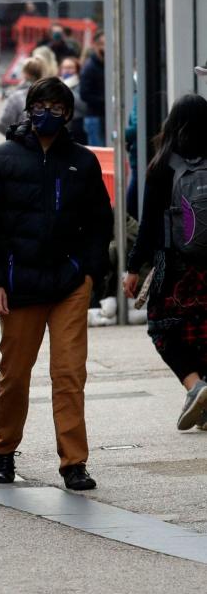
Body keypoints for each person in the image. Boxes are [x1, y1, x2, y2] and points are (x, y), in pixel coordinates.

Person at [0, 77, 113, 491]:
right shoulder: (2, 161)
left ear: (68, 114)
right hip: (19, 286)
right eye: (40, 105)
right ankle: (3, 449)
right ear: (28, 109)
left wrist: (89, 272)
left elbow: (99, 224)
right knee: (14, 374)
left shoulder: (81, 162)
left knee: (69, 373)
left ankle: (74, 462)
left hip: (69, 283)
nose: (47, 113)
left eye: (56, 107)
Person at [124, 94, 207, 431]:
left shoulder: (161, 165)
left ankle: (195, 386)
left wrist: (133, 267)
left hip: (172, 264)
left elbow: (148, 225)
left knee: (162, 328)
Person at [0, 58, 45, 134]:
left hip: (20, 140)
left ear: (25, 73)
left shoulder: (16, 97)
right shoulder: (48, 94)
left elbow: (4, 125)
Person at [79, 35, 106, 147]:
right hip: (95, 117)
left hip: (101, 116)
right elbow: (84, 94)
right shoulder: (90, 67)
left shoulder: (103, 65)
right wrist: (104, 101)